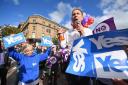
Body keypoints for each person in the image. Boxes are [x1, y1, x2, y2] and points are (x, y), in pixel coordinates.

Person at [58, 8, 93, 85]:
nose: (75, 15)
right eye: (73, 14)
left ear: (82, 17)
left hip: (85, 60)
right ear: (72, 18)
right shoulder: (68, 32)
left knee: (85, 82)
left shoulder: (88, 30)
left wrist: (82, 31)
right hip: (72, 61)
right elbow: (62, 45)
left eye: (78, 13)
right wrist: (60, 35)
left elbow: (90, 44)